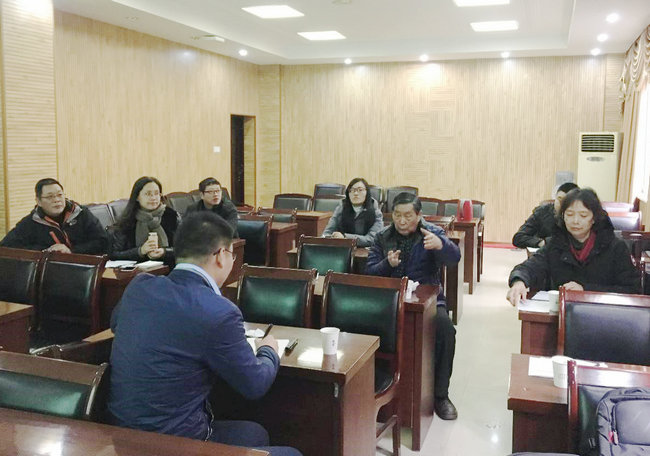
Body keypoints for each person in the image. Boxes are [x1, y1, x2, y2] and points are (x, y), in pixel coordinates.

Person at [108, 211, 301, 456]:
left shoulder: (139, 286)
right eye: (231, 254)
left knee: (255, 433)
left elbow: (117, 325)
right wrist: (268, 349)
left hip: (124, 438)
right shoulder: (219, 311)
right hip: (176, 446)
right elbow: (255, 384)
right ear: (220, 256)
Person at [365, 192, 462, 420]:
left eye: (408, 216)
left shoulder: (431, 233)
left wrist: (441, 245)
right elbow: (369, 272)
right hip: (390, 303)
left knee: (446, 331)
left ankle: (441, 396)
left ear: (418, 215)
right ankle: (374, 390)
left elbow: (454, 258)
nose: (401, 221)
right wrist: (387, 264)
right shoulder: (382, 237)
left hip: (427, 303)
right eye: (397, 215)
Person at [507, 188, 641, 306]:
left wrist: (585, 290)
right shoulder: (556, 244)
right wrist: (519, 281)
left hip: (604, 314)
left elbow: (632, 289)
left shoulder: (616, 247)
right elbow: (531, 266)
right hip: (563, 313)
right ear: (563, 217)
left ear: (594, 218)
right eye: (570, 214)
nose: (575, 221)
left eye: (583, 215)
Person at [0, 178, 108, 254]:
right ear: (39, 201)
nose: (56, 200)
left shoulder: (80, 213)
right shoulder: (31, 222)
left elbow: (103, 241)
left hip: (86, 267)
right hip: (51, 271)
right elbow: (6, 246)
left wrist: (72, 250)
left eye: (60, 195)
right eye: (50, 197)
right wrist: (47, 251)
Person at [110, 176, 180, 264]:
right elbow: (115, 254)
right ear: (137, 197)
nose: (153, 198)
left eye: (156, 193)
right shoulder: (128, 221)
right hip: (138, 270)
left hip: (170, 267)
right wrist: (140, 251)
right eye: (148, 194)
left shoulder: (172, 216)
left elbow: (187, 248)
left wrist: (165, 252)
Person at [512, 182, 579, 248]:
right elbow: (518, 238)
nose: (561, 204)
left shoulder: (580, 216)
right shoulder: (542, 212)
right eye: (559, 199)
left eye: (566, 201)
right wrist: (542, 243)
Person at [321, 177, 383, 247]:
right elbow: (327, 233)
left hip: (365, 251)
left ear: (367, 192)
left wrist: (346, 237)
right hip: (343, 249)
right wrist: (330, 237)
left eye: (360, 190)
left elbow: (373, 239)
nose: (356, 193)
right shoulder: (341, 208)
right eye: (352, 190)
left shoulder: (375, 211)